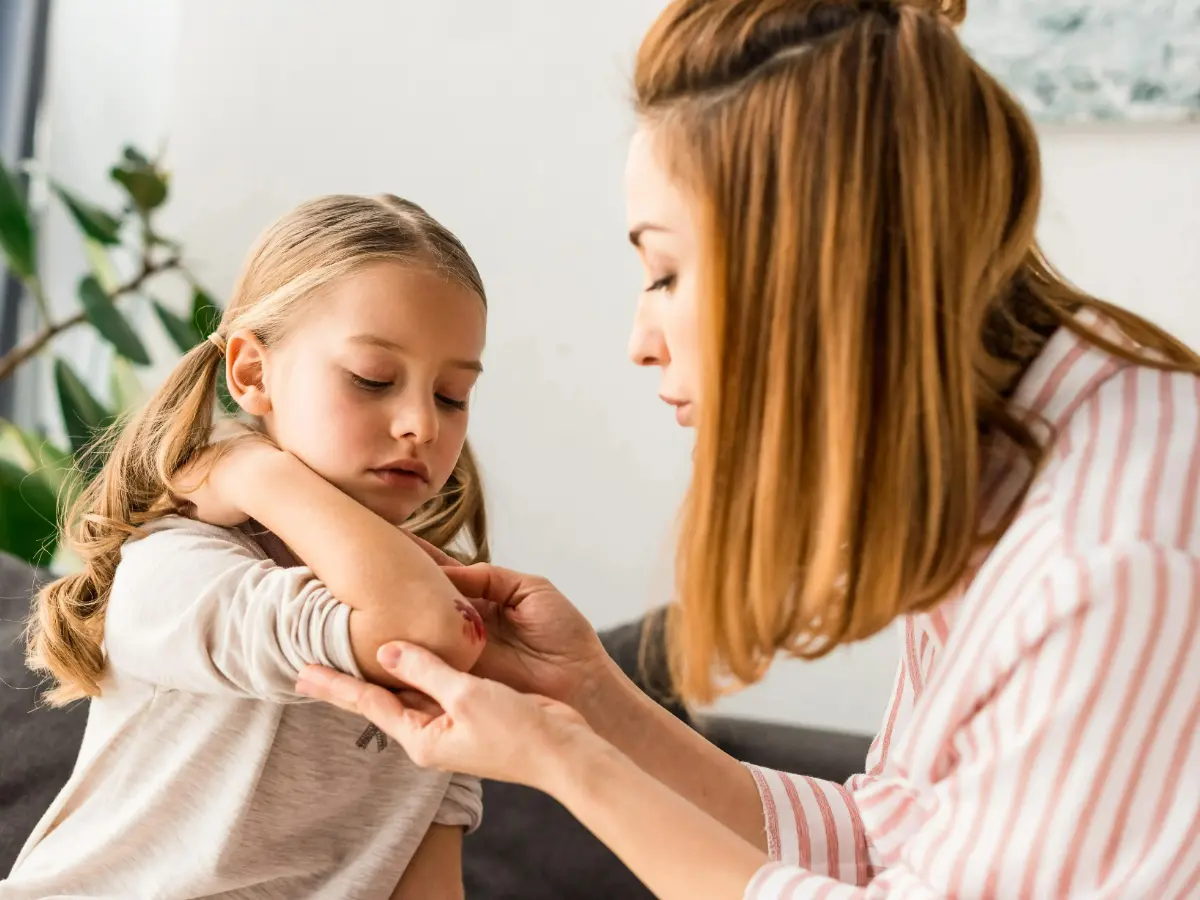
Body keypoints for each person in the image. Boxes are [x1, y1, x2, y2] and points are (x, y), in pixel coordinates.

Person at [297, 2, 1200, 898]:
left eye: (665, 274)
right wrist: (589, 700)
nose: (640, 340)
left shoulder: (1109, 559)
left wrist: (564, 760)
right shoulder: (1013, 476)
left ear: (809, 267)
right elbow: (894, 842)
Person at [4, 194, 493, 898]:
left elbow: (426, 877)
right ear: (252, 375)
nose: (421, 423)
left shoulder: (439, 608)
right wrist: (254, 471)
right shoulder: (176, 566)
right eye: (373, 380)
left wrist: (250, 470)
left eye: (451, 395)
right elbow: (420, 630)